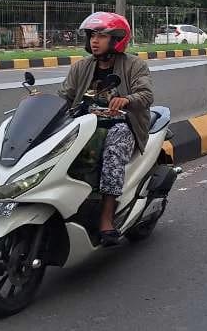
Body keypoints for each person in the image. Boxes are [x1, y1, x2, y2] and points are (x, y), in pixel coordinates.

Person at [57, 12, 153, 246]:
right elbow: (65, 97)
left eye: (101, 36)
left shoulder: (134, 65)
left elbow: (146, 94)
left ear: (117, 39)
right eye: (92, 36)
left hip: (123, 123)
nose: (94, 41)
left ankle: (106, 217)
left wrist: (127, 100)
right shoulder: (81, 67)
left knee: (112, 152)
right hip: (86, 123)